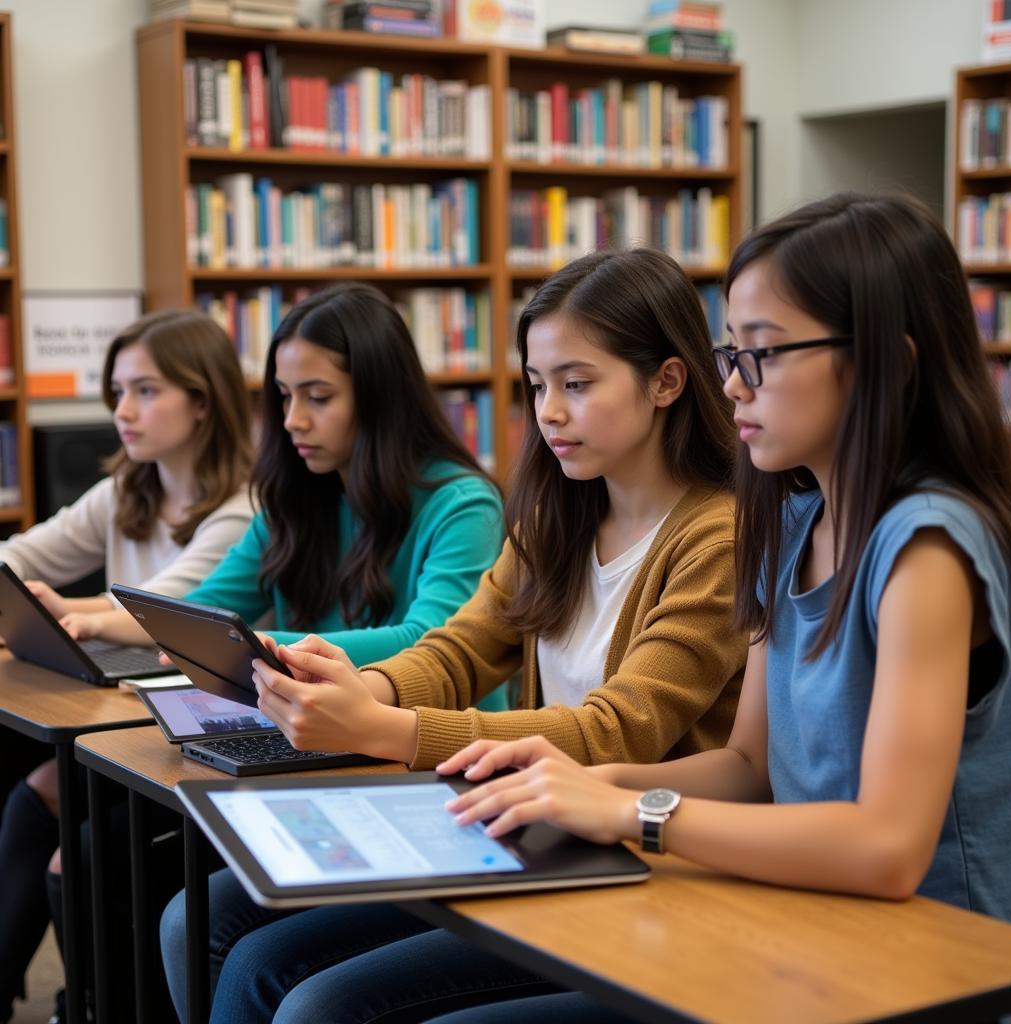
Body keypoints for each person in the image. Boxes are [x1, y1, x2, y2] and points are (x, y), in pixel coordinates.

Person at [426, 192, 1011, 1024]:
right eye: (731, 353)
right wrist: (572, 783)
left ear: (889, 361)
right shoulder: (789, 521)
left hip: (928, 974)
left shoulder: (926, 549)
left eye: (765, 355)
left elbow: (887, 849)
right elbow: (750, 771)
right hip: (800, 919)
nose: (734, 386)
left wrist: (630, 808)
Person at [160, 247, 749, 1023]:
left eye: (578, 384)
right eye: (538, 386)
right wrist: (361, 691)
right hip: (530, 828)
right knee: (202, 923)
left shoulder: (719, 537)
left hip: (632, 852)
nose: (550, 413)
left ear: (667, 381)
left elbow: (623, 728)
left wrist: (390, 728)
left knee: (316, 1003)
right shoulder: (558, 515)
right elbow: (463, 648)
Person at [0, 309, 255, 1024]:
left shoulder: (242, 510)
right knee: (29, 799)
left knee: (56, 831)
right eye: (116, 391)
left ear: (202, 401)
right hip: (120, 717)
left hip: (187, 734)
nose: (123, 411)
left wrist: (66, 609)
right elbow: (24, 553)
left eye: (146, 391)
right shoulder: (127, 490)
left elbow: (166, 613)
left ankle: (86, 1002)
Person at [80, 282, 504, 661]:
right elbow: (199, 612)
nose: (292, 420)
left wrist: (265, 645)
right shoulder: (294, 502)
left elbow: (428, 642)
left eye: (317, 397)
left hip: (435, 740)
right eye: (284, 396)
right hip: (322, 730)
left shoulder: (463, 506)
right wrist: (88, 622)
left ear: (381, 400)